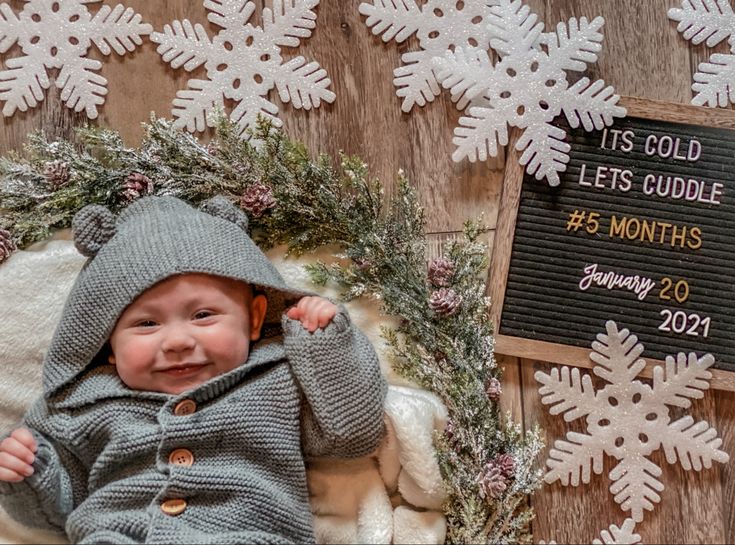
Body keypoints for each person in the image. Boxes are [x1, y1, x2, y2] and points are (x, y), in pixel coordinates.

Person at [0, 195, 387, 544]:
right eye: (147, 324)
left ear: (254, 319)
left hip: (249, 534)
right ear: (106, 344)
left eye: (203, 315)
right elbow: (54, 513)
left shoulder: (276, 379)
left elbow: (353, 435)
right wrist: (29, 472)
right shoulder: (83, 406)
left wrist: (325, 345)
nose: (177, 341)